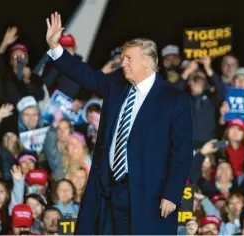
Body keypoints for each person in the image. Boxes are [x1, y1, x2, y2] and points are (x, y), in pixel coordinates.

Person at [44, 12, 193, 234]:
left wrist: (172, 193)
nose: (122, 63)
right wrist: (56, 48)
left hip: (148, 195)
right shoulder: (117, 84)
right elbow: (87, 76)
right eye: (122, 58)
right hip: (109, 190)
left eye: (128, 58)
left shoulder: (173, 99)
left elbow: (182, 152)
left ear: (147, 62)